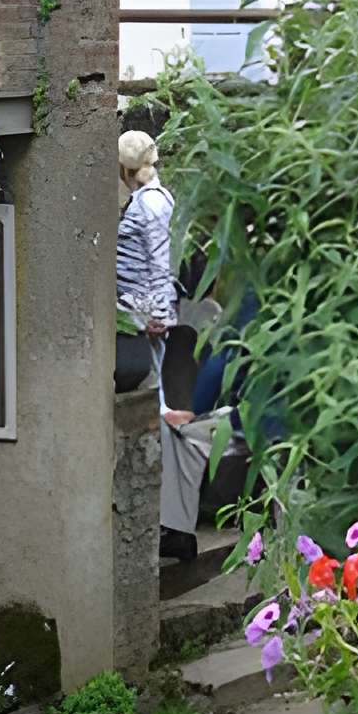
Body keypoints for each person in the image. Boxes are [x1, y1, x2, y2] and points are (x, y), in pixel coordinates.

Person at [116, 129, 222, 561]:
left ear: (124, 167)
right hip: (141, 315)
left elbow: (161, 264)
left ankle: (176, 528)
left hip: (143, 318)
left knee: (160, 415)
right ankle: (174, 527)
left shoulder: (152, 204)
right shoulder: (150, 200)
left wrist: (157, 316)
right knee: (157, 411)